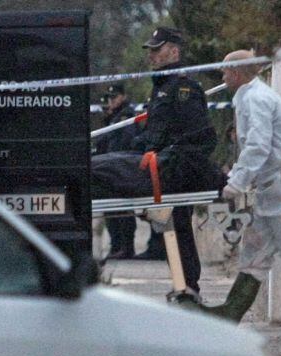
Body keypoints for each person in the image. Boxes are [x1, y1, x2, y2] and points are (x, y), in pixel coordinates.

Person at [90, 27, 221, 293]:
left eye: (156, 50)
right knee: (102, 163)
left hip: (168, 170)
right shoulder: (162, 87)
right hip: (155, 162)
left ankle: (188, 286)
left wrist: (165, 160)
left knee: (98, 168)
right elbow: (155, 135)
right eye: (150, 51)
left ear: (174, 51)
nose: (151, 56)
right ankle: (185, 286)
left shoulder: (183, 89)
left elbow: (200, 140)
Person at [201, 49, 281, 323]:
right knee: (254, 252)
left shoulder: (257, 99)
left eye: (225, 71)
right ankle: (231, 312)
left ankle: (231, 312)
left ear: (237, 73)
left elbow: (258, 145)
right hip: (267, 188)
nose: (223, 76)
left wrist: (236, 182)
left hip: (277, 187)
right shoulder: (250, 96)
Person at [95, 84, 138, 260]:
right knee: (110, 210)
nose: (110, 102)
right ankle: (116, 246)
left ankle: (125, 247)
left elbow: (126, 140)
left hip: (120, 167)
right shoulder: (114, 116)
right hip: (111, 167)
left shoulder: (125, 116)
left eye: (114, 98)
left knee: (122, 209)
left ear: (122, 97)